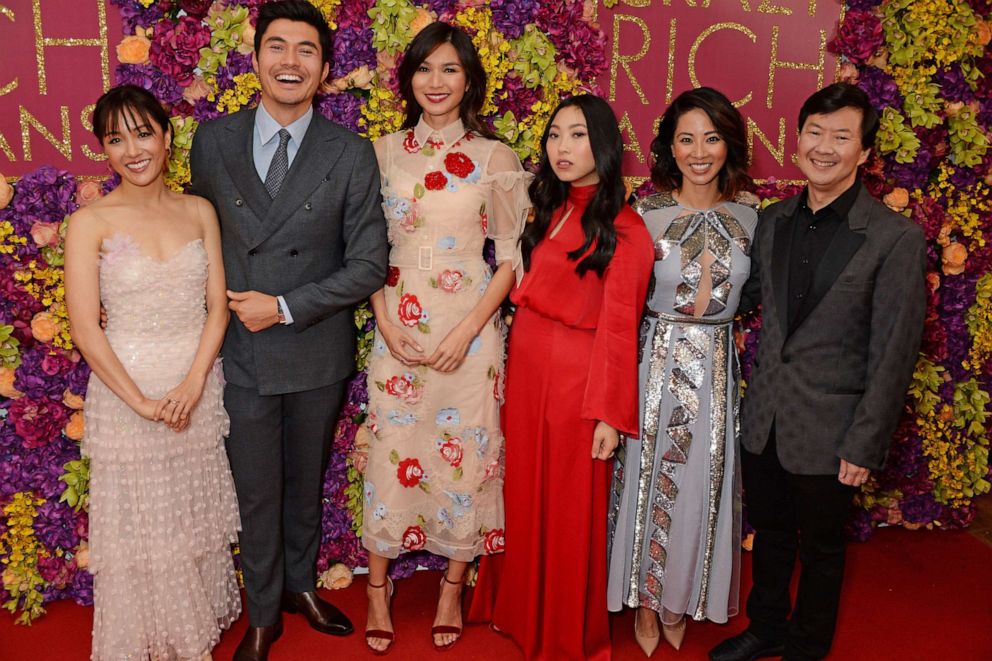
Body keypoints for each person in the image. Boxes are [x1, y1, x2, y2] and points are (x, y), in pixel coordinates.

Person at [187, 2, 388, 659]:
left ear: (325, 70)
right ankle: (264, 612)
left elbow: (367, 265)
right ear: (257, 59)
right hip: (241, 352)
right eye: (279, 46)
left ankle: (301, 585)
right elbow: (197, 239)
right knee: (256, 486)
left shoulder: (350, 153)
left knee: (306, 479)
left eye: (307, 50)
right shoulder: (213, 140)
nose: (291, 61)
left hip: (313, 345)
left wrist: (286, 305)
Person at [709, 82, 927, 661]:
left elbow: (894, 349)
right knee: (772, 536)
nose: (824, 147)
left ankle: (807, 647)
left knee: (823, 550)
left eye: (841, 136)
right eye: (815, 132)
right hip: (767, 418)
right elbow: (747, 297)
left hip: (835, 430)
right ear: (797, 139)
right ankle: (767, 628)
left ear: (864, 153)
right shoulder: (773, 220)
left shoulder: (893, 238)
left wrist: (865, 441)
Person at [360, 21, 531, 655]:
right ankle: (377, 587)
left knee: (468, 454)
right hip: (398, 325)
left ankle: (453, 583)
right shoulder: (378, 153)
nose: (436, 82)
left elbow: (511, 258)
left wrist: (469, 328)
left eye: (450, 69)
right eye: (425, 68)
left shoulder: (497, 158)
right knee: (391, 447)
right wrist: (383, 316)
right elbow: (362, 248)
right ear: (409, 77)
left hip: (472, 330)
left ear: (468, 80)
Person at [469, 94, 655, 660]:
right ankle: (517, 610)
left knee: (570, 506)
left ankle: (561, 630)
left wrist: (607, 414)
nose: (561, 148)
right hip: (525, 369)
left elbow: (621, 329)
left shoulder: (626, 229)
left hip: (578, 377)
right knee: (520, 492)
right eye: (554, 135)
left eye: (576, 136)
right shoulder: (543, 207)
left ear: (602, 145)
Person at [65, 84, 240, 660]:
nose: (132, 150)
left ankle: (192, 619)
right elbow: (87, 329)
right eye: (116, 139)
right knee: (145, 522)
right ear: (105, 151)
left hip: (196, 380)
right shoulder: (90, 221)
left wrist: (193, 383)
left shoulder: (199, 211)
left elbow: (217, 306)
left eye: (143, 133)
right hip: (126, 388)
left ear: (167, 137)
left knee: (189, 511)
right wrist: (139, 401)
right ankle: (158, 637)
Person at [607, 87, 757, 657]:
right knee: (647, 480)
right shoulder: (642, 215)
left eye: (712, 138)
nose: (700, 151)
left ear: (729, 145)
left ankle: (681, 596)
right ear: (670, 146)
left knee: (704, 485)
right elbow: (620, 304)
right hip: (655, 362)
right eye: (686, 139)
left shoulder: (751, 217)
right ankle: (646, 602)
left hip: (718, 366)